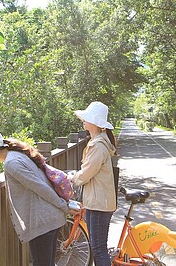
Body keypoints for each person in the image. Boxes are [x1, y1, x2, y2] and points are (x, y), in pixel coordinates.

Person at [0, 130, 77, 266]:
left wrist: (64, 206)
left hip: (42, 221)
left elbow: (40, 187)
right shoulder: (17, 155)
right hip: (49, 218)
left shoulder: (12, 164)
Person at [69, 101, 117, 266]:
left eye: (86, 118)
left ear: (95, 123)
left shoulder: (98, 146)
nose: (83, 120)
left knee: (98, 249)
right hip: (98, 202)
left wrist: (72, 178)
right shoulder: (98, 142)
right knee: (98, 247)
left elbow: (87, 173)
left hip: (98, 205)